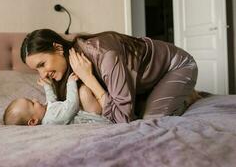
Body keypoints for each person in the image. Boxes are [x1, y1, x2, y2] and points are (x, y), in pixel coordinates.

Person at [20, 29, 198, 123]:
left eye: (42, 65)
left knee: (151, 120)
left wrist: (89, 79)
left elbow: (123, 118)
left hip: (175, 66)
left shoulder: (105, 55)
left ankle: (187, 96)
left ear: (58, 48)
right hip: (146, 81)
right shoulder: (69, 70)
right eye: (37, 70)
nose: (43, 74)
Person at [3, 73, 110, 125]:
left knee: (84, 92)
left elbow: (51, 101)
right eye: (32, 103)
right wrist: (70, 83)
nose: (35, 99)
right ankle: (108, 109)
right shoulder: (51, 118)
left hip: (86, 111)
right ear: (33, 121)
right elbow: (71, 106)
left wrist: (47, 86)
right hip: (93, 117)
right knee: (83, 91)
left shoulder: (47, 113)